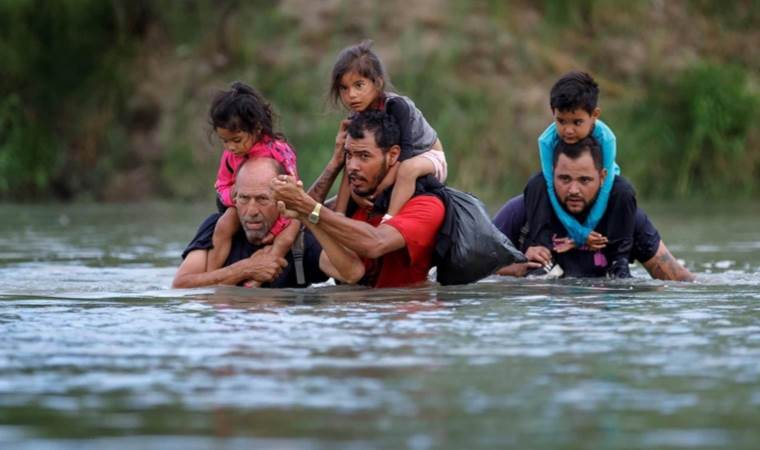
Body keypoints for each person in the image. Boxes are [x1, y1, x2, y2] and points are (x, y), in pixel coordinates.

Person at [271, 110, 446, 288]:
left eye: (364, 156)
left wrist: (309, 208)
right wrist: (305, 213)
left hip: (406, 312)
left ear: (393, 155)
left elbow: (376, 243)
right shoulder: (356, 203)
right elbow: (352, 272)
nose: (352, 167)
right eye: (349, 155)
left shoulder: (427, 206)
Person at [493, 138, 693, 281]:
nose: (573, 190)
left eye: (584, 180)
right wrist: (515, 268)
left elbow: (676, 277)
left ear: (603, 177)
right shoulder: (521, 211)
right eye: (564, 179)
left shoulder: (624, 216)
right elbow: (470, 268)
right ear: (551, 175)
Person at [525, 71, 636, 276]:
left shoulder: (607, 139)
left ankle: (618, 261)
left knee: (624, 189)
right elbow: (551, 186)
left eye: (576, 122)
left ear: (594, 115)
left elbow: (606, 187)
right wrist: (579, 233)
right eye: (561, 121)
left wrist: (583, 234)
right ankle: (542, 256)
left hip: (600, 189)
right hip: (562, 191)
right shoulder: (546, 141)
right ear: (552, 112)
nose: (568, 130)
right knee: (537, 184)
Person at [329, 39, 448, 222]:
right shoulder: (357, 116)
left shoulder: (397, 106)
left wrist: (379, 189)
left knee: (408, 169)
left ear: (377, 83)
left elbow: (406, 153)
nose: (351, 95)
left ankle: (389, 220)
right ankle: (338, 216)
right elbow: (349, 164)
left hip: (427, 157)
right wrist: (353, 196)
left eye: (359, 85)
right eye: (344, 88)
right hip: (393, 160)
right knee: (352, 157)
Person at [172, 158, 328, 289]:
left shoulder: (300, 240)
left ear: (282, 200)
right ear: (234, 196)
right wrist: (246, 269)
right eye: (244, 198)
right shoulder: (215, 227)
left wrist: (335, 163)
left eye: (262, 199)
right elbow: (180, 286)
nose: (251, 211)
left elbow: (350, 273)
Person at [207, 82, 301, 286]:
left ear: (257, 128)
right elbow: (221, 185)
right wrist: (230, 195)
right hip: (239, 206)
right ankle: (212, 277)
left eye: (237, 140)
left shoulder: (277, 150)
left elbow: (293, 189)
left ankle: (263, 271)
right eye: (225, 141)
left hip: (281, 208)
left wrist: (276, 230)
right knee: (223, 225)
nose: (231, 147)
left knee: (290, 233)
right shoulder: (230, 156)